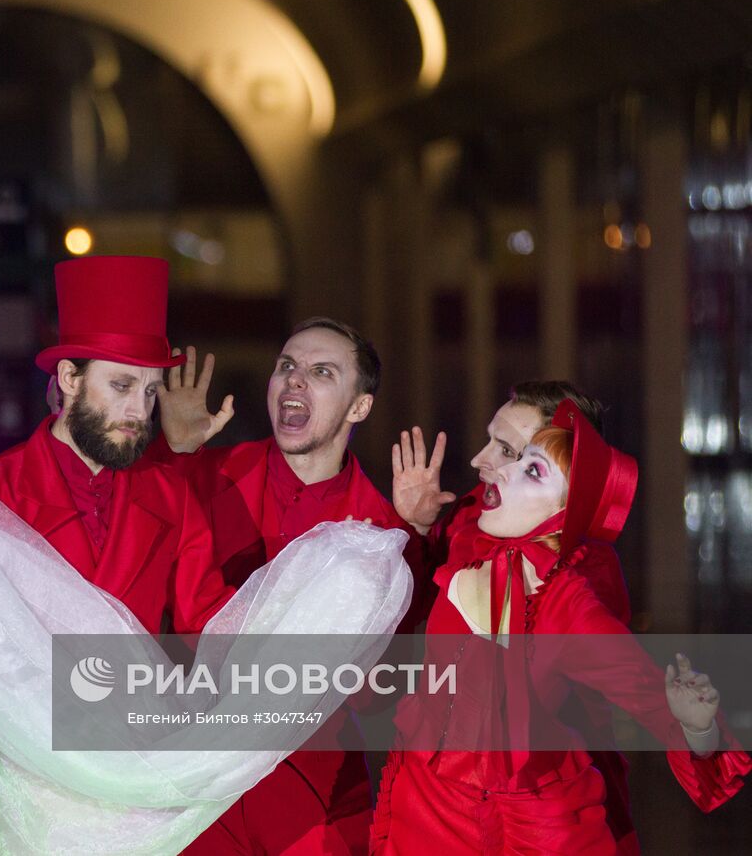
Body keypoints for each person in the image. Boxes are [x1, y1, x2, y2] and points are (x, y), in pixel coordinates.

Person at [371, 399, 750, 853]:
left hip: (527, 829)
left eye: (533, 471)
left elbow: (656, 702)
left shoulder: (569, 605)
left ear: (563, 513)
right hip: (423, 810)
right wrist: (411, 523)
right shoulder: (466, 538)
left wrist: (700, 728)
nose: (500, 471)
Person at [155, 323, 420, 854]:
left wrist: (418, 539)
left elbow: (382, 694)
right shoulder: (202, 476)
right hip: (197, 780)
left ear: (359, 407)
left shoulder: (383, 531)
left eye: (322, 372)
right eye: (287, 367)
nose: (295, 381)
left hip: (318, 793)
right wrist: (171, 456)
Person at [391, 381, 638, 849]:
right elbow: (409, 618)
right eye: (491, 440)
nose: (479, 461)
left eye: (507, 450)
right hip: (437, 803)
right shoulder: (467, 520)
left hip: (538, 809)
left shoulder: (585, 572)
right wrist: (418, 527)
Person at [0, 255, 235, 636]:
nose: (140, 410)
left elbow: (214, 630)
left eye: (151, 391)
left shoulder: (173, 498)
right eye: (121, 386)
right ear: (70, 378)